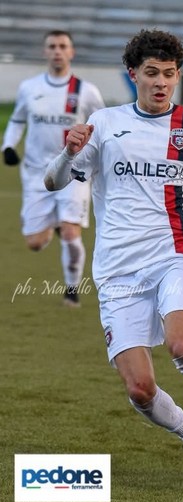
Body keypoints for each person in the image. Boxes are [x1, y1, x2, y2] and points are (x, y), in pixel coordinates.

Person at [44, 29, 183, 485]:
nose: (161, 82)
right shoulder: (104, 123)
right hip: (116, 271)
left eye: (170, 74)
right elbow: (53, 182)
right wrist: (68, 152)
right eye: (152, 73)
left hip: (176, 257)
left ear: (178, 76)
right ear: (133, 74)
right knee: (140, 389)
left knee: (182, 345)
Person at [2, 30, 105, 307]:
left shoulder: (86, 91)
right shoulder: (29, 88)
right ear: (45, 51)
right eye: (52, 46)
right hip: (36, 172)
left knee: (71, 234)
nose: (57, 51)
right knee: (35, 243)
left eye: (63, 46)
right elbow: (17, 120)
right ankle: (55, 224)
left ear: (71, 52)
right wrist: (8, 146)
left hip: (73, 172)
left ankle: (72, 291)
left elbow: (101, 126)